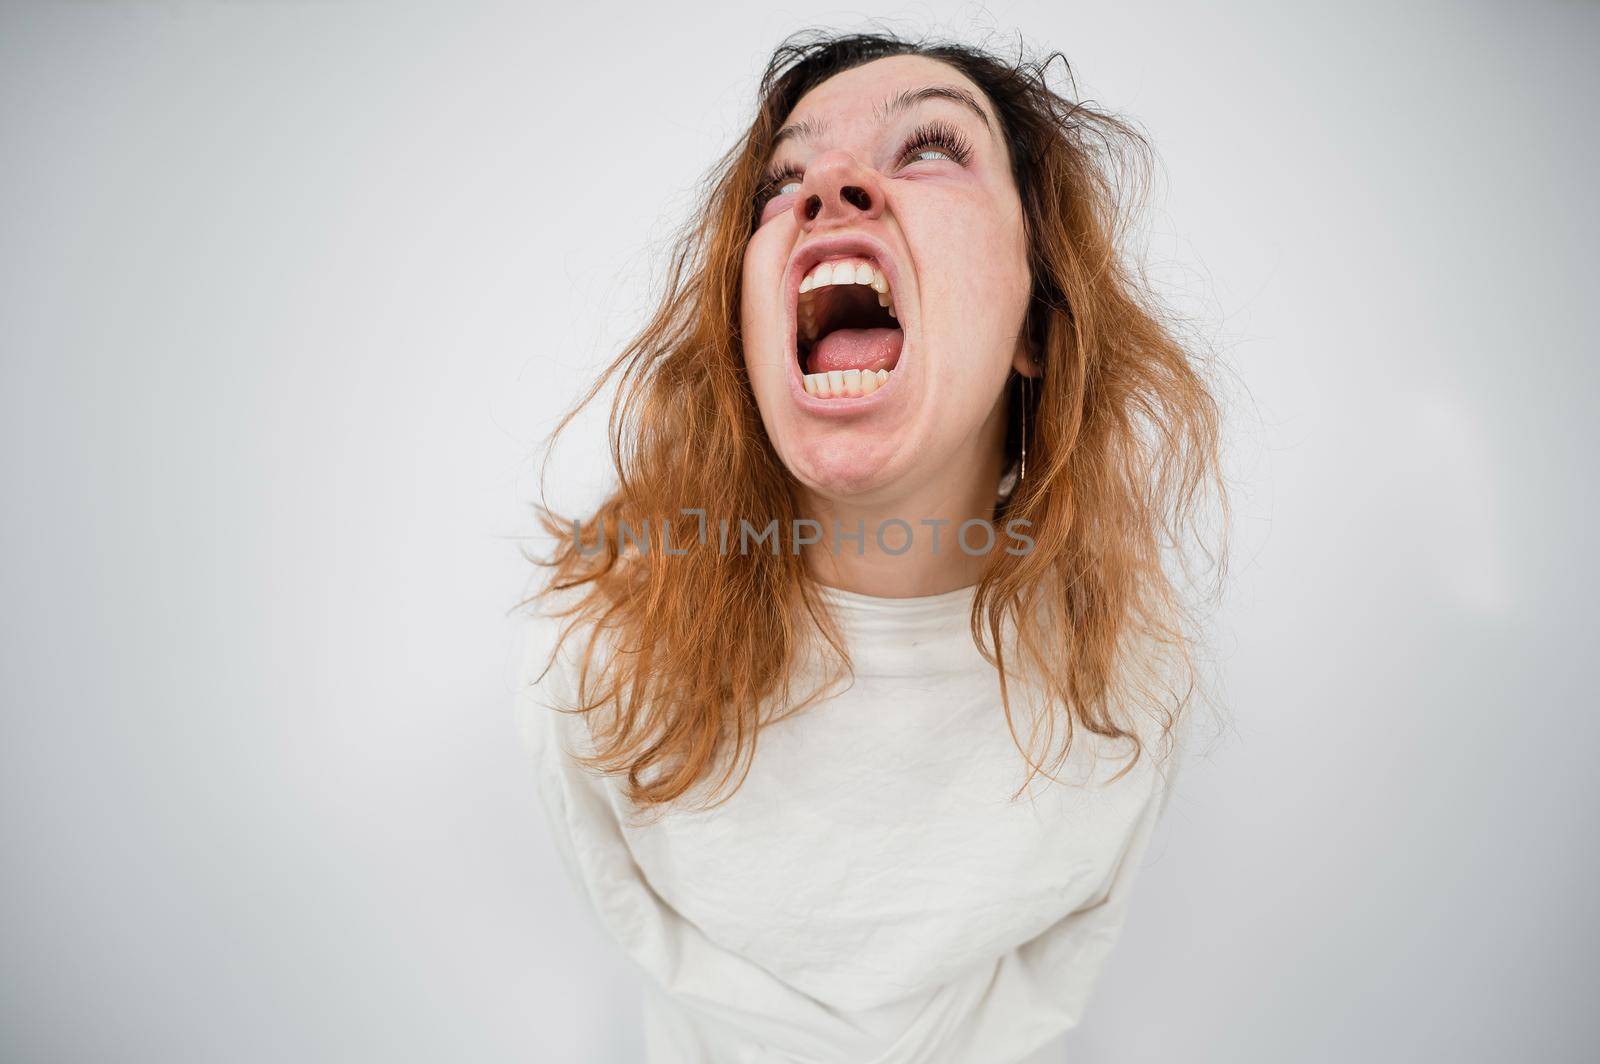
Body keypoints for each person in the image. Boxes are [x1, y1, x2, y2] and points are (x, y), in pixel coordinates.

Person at [513, 28, 1227, 1063]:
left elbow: (1050, 978)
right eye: (784, 176)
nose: (827, 188)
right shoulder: (590, 653)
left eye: (929, 147)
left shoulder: (1131, 675)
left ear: (1035, 318)